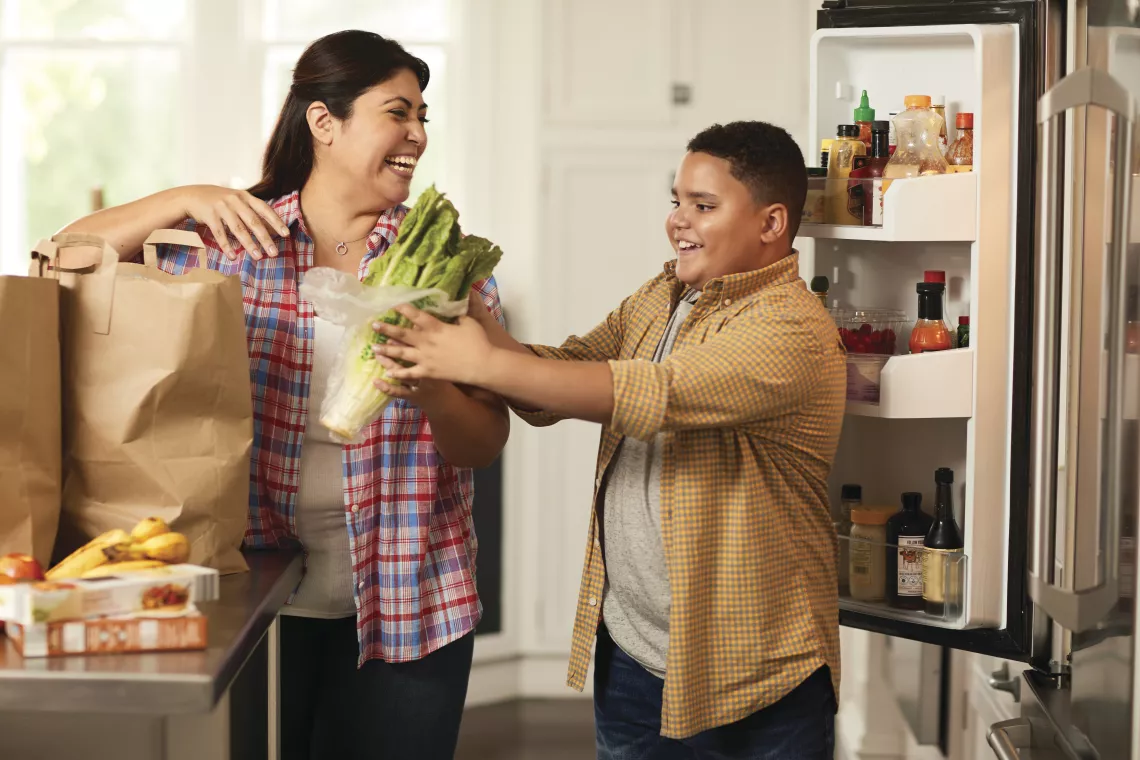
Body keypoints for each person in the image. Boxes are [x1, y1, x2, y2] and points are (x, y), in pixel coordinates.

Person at [60, 30, 508, 760]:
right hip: (253, 596)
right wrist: (181, 198)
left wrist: (430, 390)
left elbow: (483, 444)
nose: (419, 135)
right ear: (324, 122)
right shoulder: (233, 241)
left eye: (424, 117)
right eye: (398, 113)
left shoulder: (450, 268)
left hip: (413, 601)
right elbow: (63, 257)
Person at [370, 121, 845, 759]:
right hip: (632, 656)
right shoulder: (662, 297)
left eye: (704, 206)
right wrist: (471, 316)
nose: (678, 220)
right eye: (676, 200)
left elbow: (652, 393)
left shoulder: (792, 329)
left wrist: (477, 361)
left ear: (771, 223)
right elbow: (560, 377)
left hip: (752, 676)